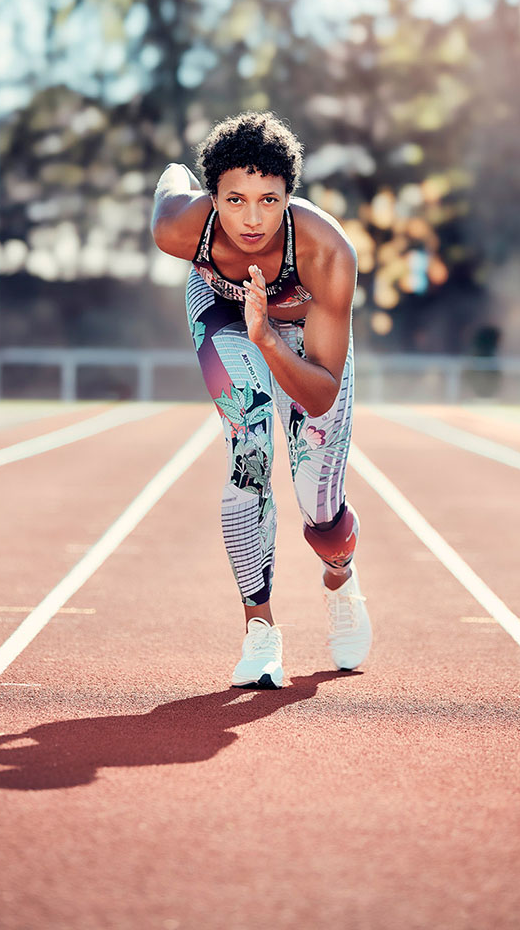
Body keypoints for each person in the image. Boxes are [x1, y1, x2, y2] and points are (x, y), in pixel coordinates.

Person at [151, 111, 371, 688]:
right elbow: (170, 183)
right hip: (223, 312)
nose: (252, 219)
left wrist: (270, 338)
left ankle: (340, 579)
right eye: (236, 199)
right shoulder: (179, 228)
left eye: (269, 201)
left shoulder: (329, 255)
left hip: (301, 341)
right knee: (248, 453)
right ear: (213, 197)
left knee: (318, 503)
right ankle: (260, 630)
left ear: (290, 198)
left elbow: (321, 394)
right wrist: (177, 172)